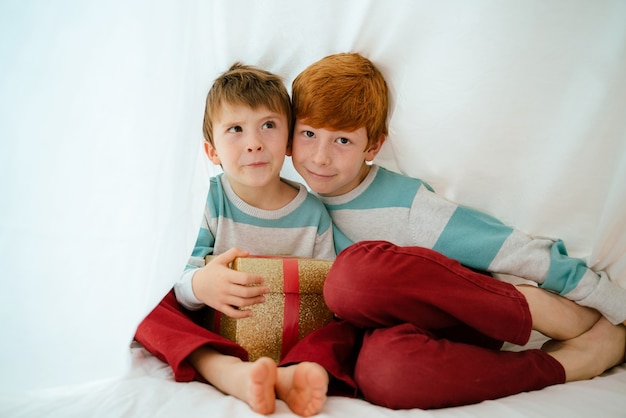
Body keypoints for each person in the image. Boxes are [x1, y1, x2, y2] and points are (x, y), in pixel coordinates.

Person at [280, 52, 626, 409]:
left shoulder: (404, 202)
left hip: (466, 315)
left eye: (342, 141)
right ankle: (570, 363)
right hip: (386, 337)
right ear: (289, 138)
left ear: (373, 146)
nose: (320, 157)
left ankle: (534, 308)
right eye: (308, 134)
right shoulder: (288, 207)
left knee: (350, 279)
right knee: (386, 375)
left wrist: (610, 301)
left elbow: (505, 247)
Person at [134, 63, 335, 417]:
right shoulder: (209, 201)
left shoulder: (314, 214)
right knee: (145, 298)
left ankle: (293, 373)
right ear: (212, 152)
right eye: (236, 129)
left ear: (288, 140)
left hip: (293, 338)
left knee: (342, 326)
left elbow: (328, 293)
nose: (254, 143)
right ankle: (231, 372)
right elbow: (181, 278)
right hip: (214, 336)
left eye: (268, 126)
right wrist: (199, 285)